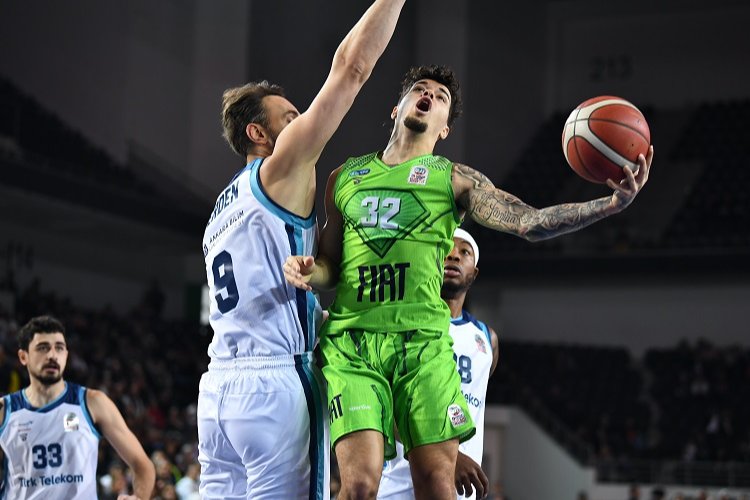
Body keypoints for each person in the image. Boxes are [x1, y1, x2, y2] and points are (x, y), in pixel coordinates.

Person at [284, 64, 653, 499]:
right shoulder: (345, 177)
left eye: (440, 97)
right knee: (361, 484)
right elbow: (331, 263)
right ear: (397, 108)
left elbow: (528, 222)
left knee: (438, 486)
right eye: (419, 90)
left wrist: (607, 206)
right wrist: (311, 271)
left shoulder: (455, 179)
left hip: (423, 345)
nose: (428, 96)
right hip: (354, 343)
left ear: (445, 129)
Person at [198, 1, 406, 498]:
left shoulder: (219, 213)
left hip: (217, 391)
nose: (302, 124)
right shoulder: (279, 170)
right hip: (273, 384)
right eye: (290, 118)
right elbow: (351, 68)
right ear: (258, 133)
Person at [378, 228, 499, 500]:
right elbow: (384, 407)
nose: (453, 256)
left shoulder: (486, 339)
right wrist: (448, 457)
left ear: (474, 273)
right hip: (399, 486)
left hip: (461, 489)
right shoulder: (401, 323)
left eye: (464, 252)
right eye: (445, 251)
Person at [0, 315, 155, 500]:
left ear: (66, 355)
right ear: (23, 356)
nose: (52, 355)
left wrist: (139, 497)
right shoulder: (5, 410)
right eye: (42, 348)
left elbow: (142, 465)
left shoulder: (93, 403)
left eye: (59, 348)